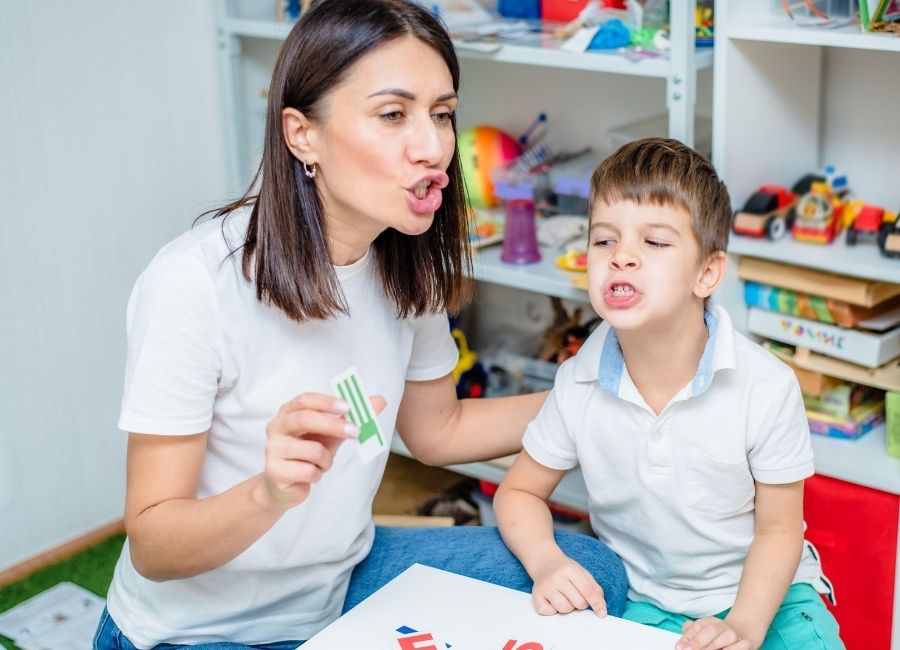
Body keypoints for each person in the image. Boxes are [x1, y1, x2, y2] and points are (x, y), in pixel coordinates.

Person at [93, 2, 627, 648]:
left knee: (592, 574)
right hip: (192, 632)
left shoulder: (407, 265)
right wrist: (268, 492)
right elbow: (152, 542)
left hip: (337, 586)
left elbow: (438, 430)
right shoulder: (193, 284)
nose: (433, 148)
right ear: (302, 135)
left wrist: (602, 392)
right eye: (393, 114)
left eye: (442, 113)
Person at [494, 138, 845, 650]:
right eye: (603, 241)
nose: (622, 259)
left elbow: (779, 531)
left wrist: (743, 627)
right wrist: (548, 563)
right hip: (645, 604)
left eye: (654, 243)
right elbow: (520, 491)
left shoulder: (766, 386)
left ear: (706, 273)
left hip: (770, 598)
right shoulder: (578, 381)